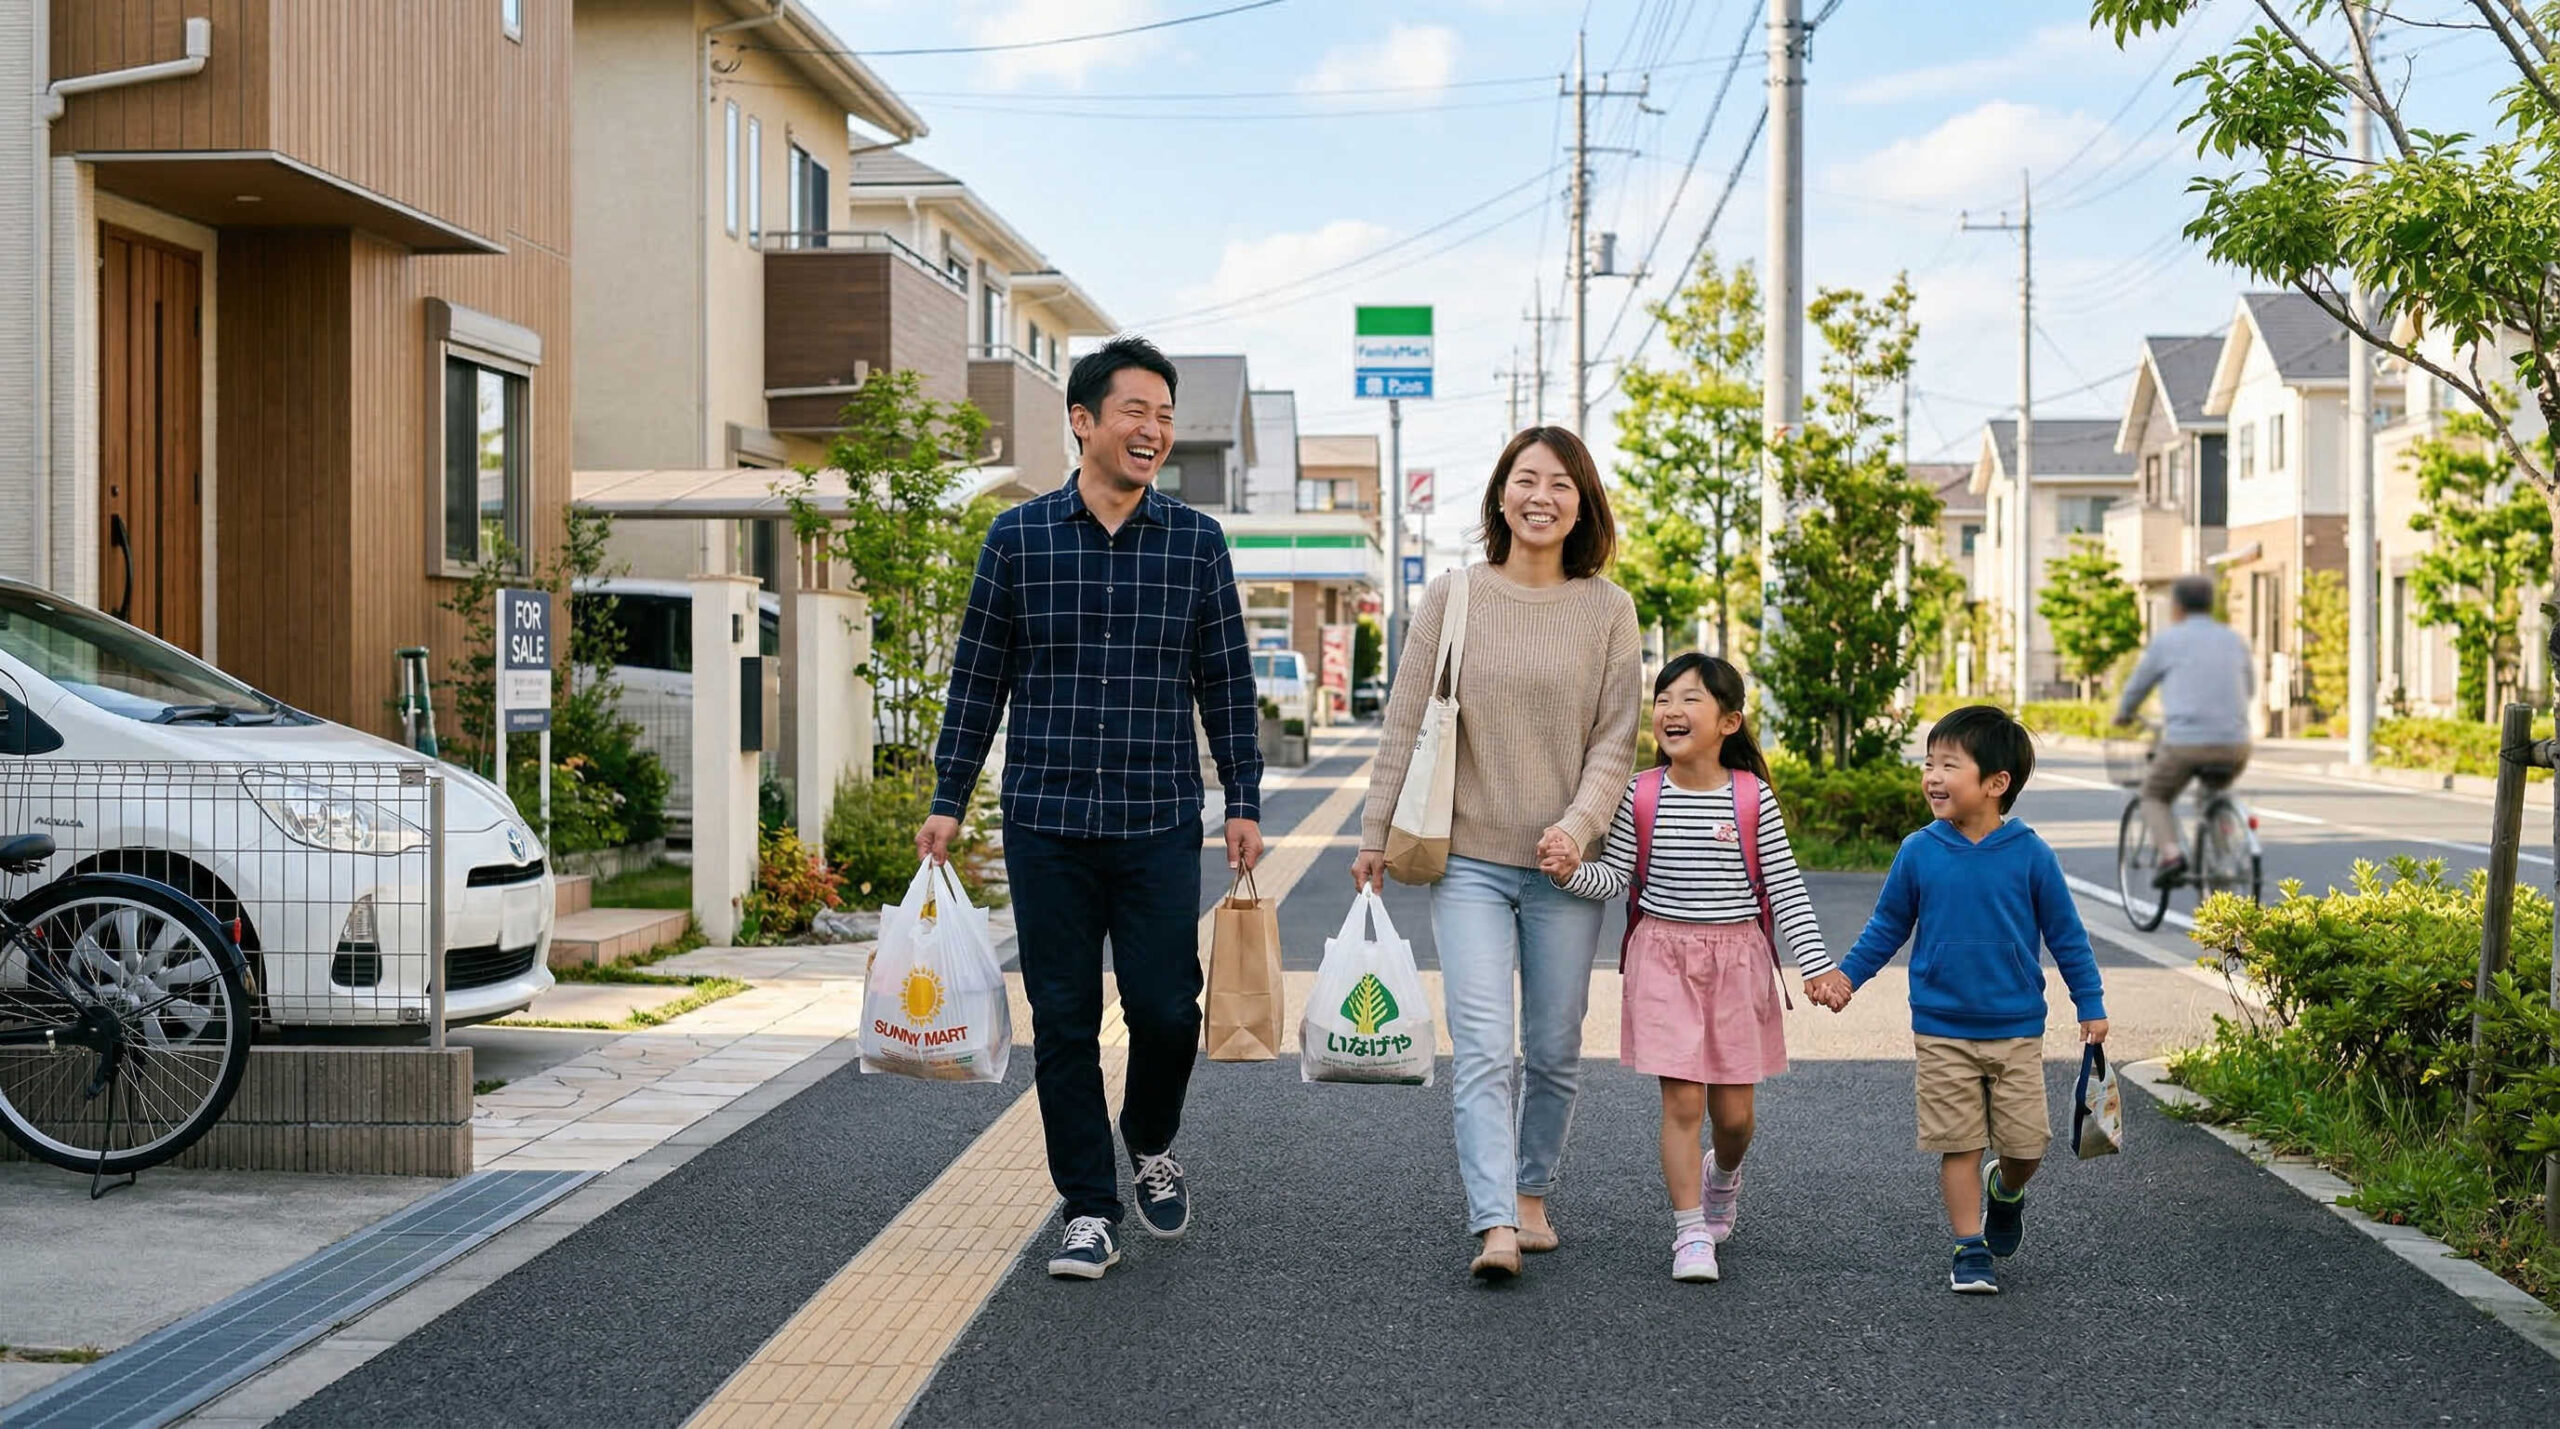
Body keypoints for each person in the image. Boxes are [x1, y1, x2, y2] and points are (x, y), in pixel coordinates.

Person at [919, 336, 1264, 1282]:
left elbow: (1225, 679)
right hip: (1046, 821)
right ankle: (1088, 1203)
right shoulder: (1017, 538)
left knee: (1165, 1009)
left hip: (1156, 819)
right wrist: (949, 798)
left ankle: (1149, 1136)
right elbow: (977, 678)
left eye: (1164, 415)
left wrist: (1243, 795)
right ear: (1083, 420)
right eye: (1135, 412)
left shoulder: (1195, 542)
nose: (1153, 430)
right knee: (1063, 1019)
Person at [1350, 425, 1641, 1282]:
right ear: (1500, 494)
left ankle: (1532, 1188)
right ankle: (1495, 1222)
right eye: (1524, 479)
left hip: (1564, 868)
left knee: (1553, 1044)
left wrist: (1579, 827)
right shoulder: (1455, 595)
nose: (1539, 495)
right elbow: (1406, 719)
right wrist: (1373, 833)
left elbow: (1616, 739)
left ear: (1581, 501)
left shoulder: (1607, 608)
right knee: (1480, 1040)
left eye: (1559, 482)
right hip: (1467, 857)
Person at [1540, 654, 1851, 1284]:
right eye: (1663, 699)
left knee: (1734, 1118)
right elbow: (1618, 876)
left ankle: (1723, 1176)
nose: (1671, 711)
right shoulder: (1641, 792)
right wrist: (1572, 870)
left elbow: (1784, 888)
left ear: (1729, 721)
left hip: (1738, 963)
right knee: (1682, 1102)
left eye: (1690, 700)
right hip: (1662, 959)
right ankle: (1689, 1234)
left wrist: (1815, 967)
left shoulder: (1751, 796)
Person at [1836, 705, 2108, 1295]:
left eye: (1948, 765)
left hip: (2015, 1027)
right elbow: (1887, 926)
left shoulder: (2031, 854)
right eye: (1928, 763)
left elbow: (2066, 936)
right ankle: (1968, 1246)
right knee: (1958, 1142)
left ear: (1995, 783)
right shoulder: (1919, 851)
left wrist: (2091, 1003)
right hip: (1941, 1027)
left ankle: (2005, 1191)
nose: (1932, 775)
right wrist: (1847, 978)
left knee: (2026, 1146)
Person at [2113, 572, 2255, 888]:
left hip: (2185, 744)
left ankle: (2171, 855)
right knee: (2215, 791)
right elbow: (2250, 687)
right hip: (2235, 743)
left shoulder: (2167, 642)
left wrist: (2124, 714)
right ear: (2210, 605)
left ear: (2177, 607)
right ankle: (2224, 859)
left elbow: (2137, 687)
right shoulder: (2233, 640)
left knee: (2154, 794)